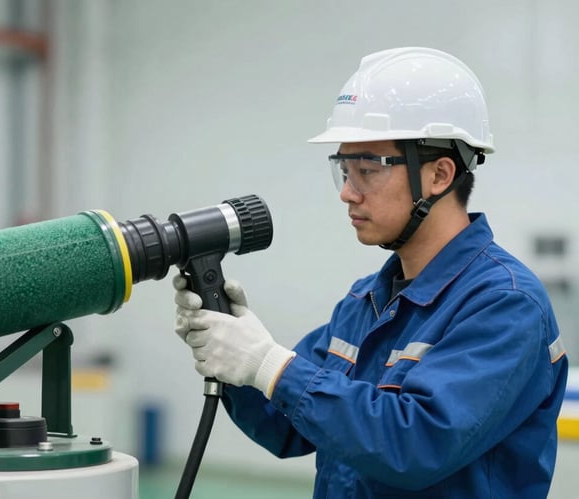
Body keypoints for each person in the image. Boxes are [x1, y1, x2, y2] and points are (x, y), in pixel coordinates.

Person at [173, 47, 568, 498]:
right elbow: (284, 425)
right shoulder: (366, 303)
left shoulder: (505, 305)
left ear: (439, 175)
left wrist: (269, 364)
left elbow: (416, 444)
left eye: (366, 170)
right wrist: (230, 352)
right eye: (344, 170)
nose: (347, 192)